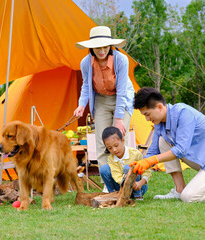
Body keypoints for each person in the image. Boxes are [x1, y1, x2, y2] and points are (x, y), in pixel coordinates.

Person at [130, 87, 205, 203]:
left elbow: (181, 149)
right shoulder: (159, 124)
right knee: (163, 141)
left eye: (147, 114)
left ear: (160, 107)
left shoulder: (183, 113)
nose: (146, 119)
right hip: (202, 159)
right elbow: (152, 152)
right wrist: (140, 165)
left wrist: (151, 161)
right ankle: (179, 190)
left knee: (189, 197)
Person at [74, 26, 135, 192]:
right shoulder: (86, 63)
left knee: (120, 139)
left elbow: (122, 90)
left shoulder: (121, 60)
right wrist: (81, 104)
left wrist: (119, 118)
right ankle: (107, 183)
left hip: (121, 99)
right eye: (97, 47)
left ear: (110, 46)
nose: (101, 50)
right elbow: (86, 86)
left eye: (105, 46)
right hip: (101, 99)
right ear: (91, 47)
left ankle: (127, 180)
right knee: (102, 141)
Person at [99, 126, 151, 200]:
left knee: (129, 167)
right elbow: (116, 174)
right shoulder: (111, 158)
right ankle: (114, 194)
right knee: (104, 169)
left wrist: (141, 182)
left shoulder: (135, 153)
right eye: (110, 148)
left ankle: (138, 195)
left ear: (123, 140)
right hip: (122, 186)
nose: (114, 150)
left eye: (116, 145)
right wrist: (127, 184)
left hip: (138, 186)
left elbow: (147, 171)